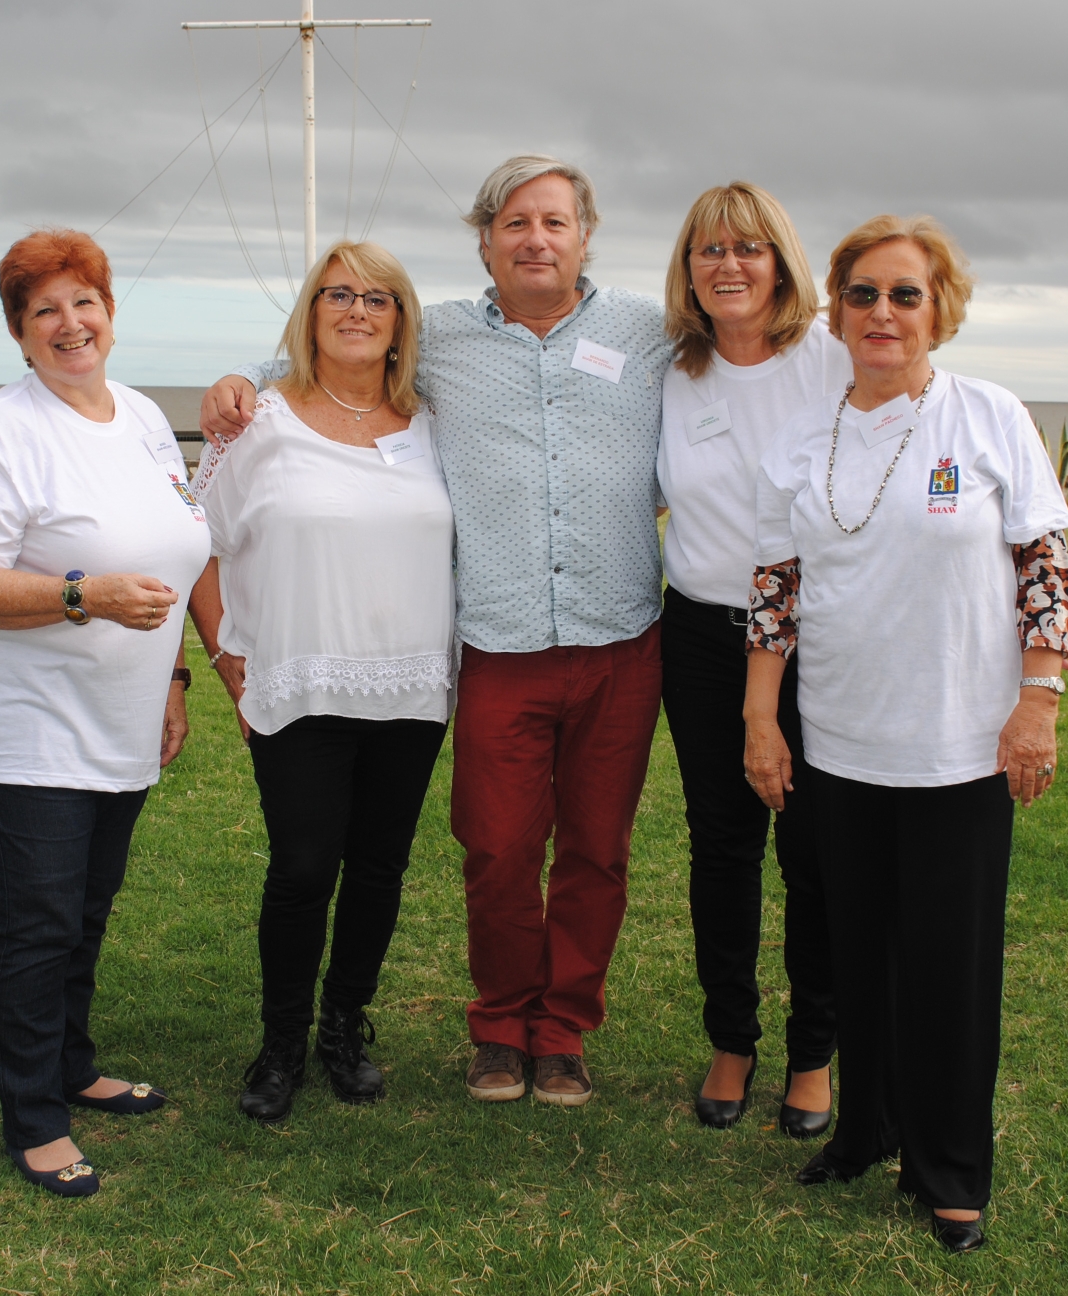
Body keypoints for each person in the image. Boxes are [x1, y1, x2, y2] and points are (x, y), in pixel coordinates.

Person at [202, 156, 669, 1106]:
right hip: (495, 642)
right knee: (495, 848)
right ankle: (500, 1030)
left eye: (554, 222)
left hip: (619, 633)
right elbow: (318, 353)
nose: (536, 239)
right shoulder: (444, 336)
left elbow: (747, 363)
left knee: (596, 850)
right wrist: (235, 377)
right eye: (514, 224)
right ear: (486, 240)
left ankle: (564, 1032)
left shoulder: (649, 334)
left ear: (585, 234)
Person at [742, 215, 1068, 1253]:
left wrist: (1039, 699)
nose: (881, 313)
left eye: (904, 294)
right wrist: (761, 718)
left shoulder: (984, 416)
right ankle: (866, 1130)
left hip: (959, 746)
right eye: (862, 295)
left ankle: (950, 1167)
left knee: (949, 967)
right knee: (860, 958)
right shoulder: (802, 436)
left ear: (939, 309)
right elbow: (772, 592)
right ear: (833, 310)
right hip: (839, 741)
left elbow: (1043, 564)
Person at [0, 228, 211, 1198]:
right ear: (19, 332)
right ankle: (32, 1117)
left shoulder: (134, 415)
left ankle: (70, 1065)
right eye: (43, 310)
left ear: (110, 313)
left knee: (84, 910)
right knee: (36, 920)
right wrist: (78, 594)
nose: (68, 324)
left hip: (121, 710)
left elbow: (174, 552)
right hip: (25, 722)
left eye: (82, 302)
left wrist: (172, 681)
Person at [186, 241, 454, 1124]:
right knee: (303, 869)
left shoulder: (433, 423)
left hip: (412, 685)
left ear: (400, 323)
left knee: (379, 868)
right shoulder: (256, 422)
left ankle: (345, 1026)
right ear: (309, 312)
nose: (357, 310)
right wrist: (229, 658)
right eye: (338, 294)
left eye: (379, 299)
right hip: (298, 683)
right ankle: (281, 1042)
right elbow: (195, 543)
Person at [655, 182, 851, 1132]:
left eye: (747, 247)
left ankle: (814, 1055)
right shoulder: (670, 369)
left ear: (780, 259)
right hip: (701, 635)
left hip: (826, 639)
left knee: (816, 852)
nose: (727, 265)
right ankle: (732, 1039)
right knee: (723, 847)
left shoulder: (836, 359)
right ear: (687, 270)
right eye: (708, 250)